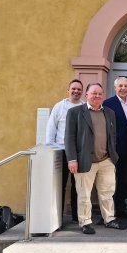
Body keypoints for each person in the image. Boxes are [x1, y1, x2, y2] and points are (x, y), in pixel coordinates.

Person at [65, 83, 126, 234]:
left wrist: (113, 156)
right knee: (84, 194)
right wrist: (72, 159)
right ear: (87, 95)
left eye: (99, 94)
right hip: (85, 161)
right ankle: (85, 222)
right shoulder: (75, 112)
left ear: (103, 96)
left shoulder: (110, 113)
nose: (96, 96)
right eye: (93, 93)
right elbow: (69, 138)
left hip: (106, 160)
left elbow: (112, 135)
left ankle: (109, 219)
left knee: (107, 192)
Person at [46, 79, 85, 223]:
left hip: (79, 152)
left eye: (79, 89)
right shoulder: (59, 107)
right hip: (61, 151)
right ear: (68, 90)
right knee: (60, 186)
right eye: (73, 89)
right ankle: (58, 217)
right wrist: (53, 149)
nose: (76, 91)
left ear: (82, 92)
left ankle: (77, 216)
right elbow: (51, 128)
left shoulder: (84, 107)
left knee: (78, 186)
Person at [103, 77, 127, 219]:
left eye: (125, 86)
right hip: (112, 150)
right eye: (120, 86)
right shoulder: (108, 104)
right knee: (109, 182)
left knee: (124, 180)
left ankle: (121, 208)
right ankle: (109, 212)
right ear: (115, 87)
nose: (123, 88)